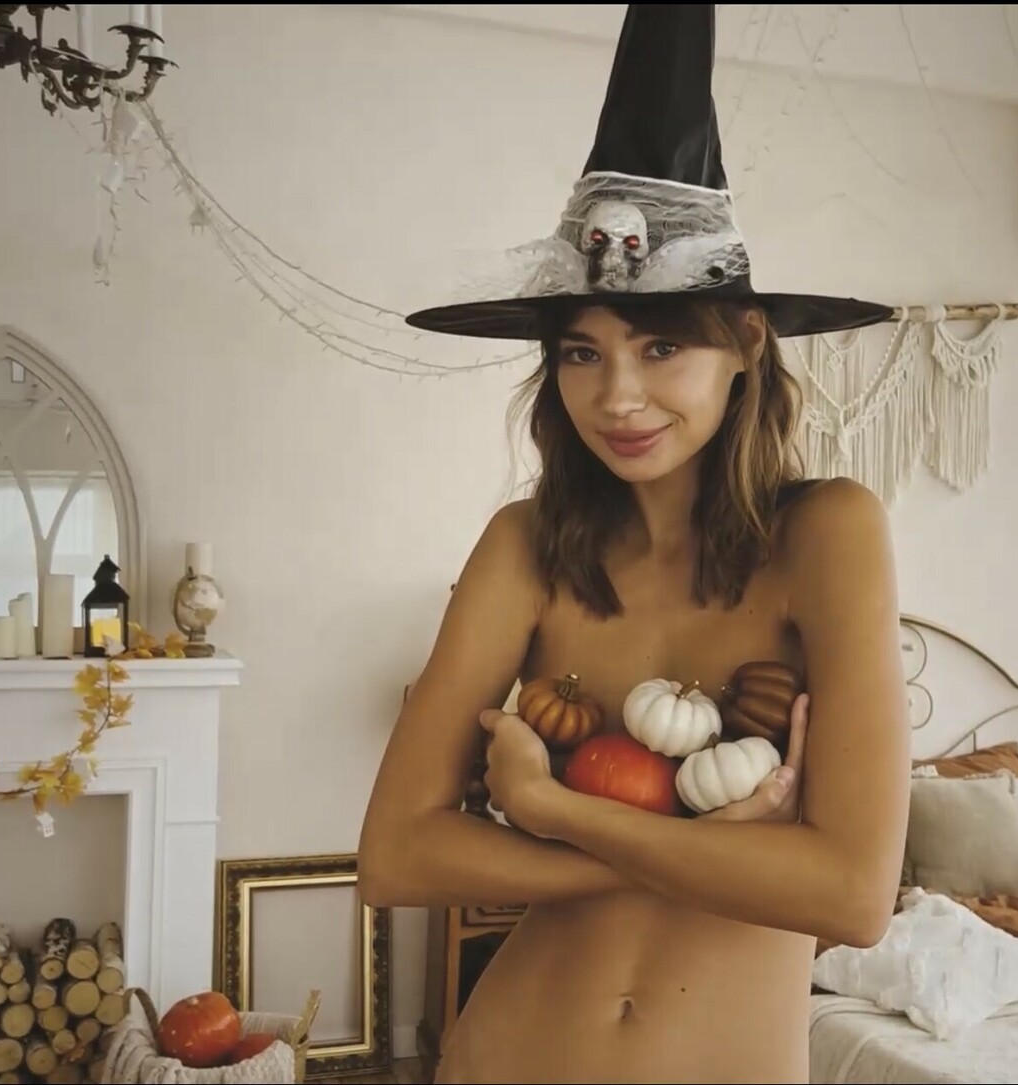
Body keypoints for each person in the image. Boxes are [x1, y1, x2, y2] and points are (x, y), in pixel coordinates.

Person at [358, 7, 911, 1082]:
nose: (616, 396)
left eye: (661, 347)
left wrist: (552, 811)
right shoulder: (526, 546)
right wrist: (723, 849)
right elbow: (395, 855)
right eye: (581, 352)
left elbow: (853, 896)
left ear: (746, 342)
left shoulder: (828, 534)